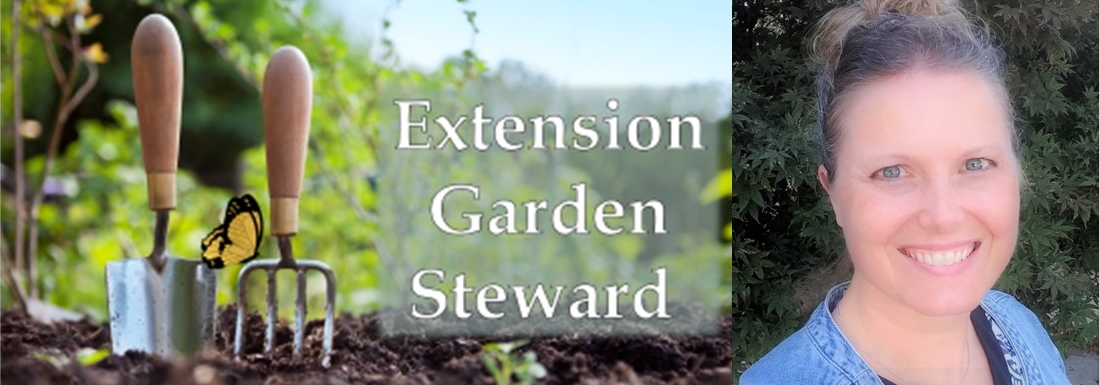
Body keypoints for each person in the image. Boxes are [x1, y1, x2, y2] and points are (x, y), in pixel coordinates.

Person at [739, 0, 1073, 384]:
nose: (943, 215)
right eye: (892, 172)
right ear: (832, 193)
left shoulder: (1019, 325)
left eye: (976, 164)